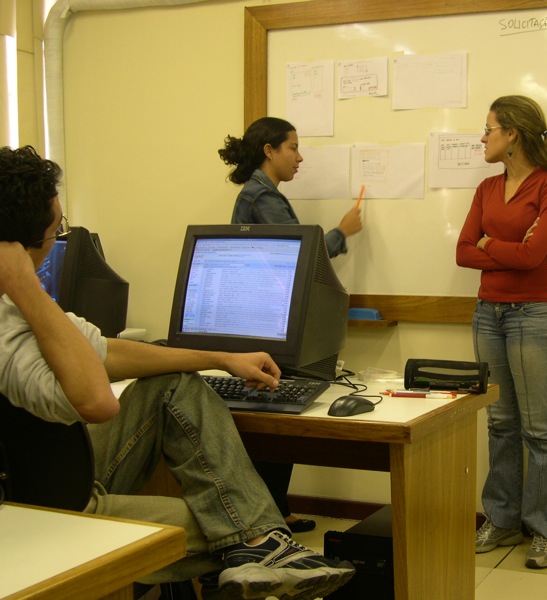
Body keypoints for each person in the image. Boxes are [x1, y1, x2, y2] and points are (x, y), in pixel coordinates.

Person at [0, 145, 355, 600]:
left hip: (60, 473)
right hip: (48, 511)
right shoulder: (15, 311)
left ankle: (261, 545)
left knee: (173, 382)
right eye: (56, 232)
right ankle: (261, 542)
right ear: (21, 246)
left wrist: (220, 359)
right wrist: (24, 284)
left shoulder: (18, 308)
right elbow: (97, 400)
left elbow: (104, 352)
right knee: (229, 528)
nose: (59, 241)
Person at [456, 95, 547, 569]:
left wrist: (495, 244)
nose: (483, 138)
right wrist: (507, 245)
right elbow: (464, 251)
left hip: (536, 314)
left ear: (512, 134)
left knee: (538, 427)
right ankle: (503, 520)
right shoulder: (488, 188)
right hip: (488, 312)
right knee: (500, 423)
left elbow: (535, 259)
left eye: (488, 129)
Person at [219, 117, 363, 534]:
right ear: (270, 151)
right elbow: (301, 254)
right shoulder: (262, 196)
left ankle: (273, 510)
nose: (299, 158)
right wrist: (341, 232)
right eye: (293, 148)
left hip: (264, 317)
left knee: (272, 412)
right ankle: (270, 514)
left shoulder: (260, 193)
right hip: (269, 321)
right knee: (275, 414)